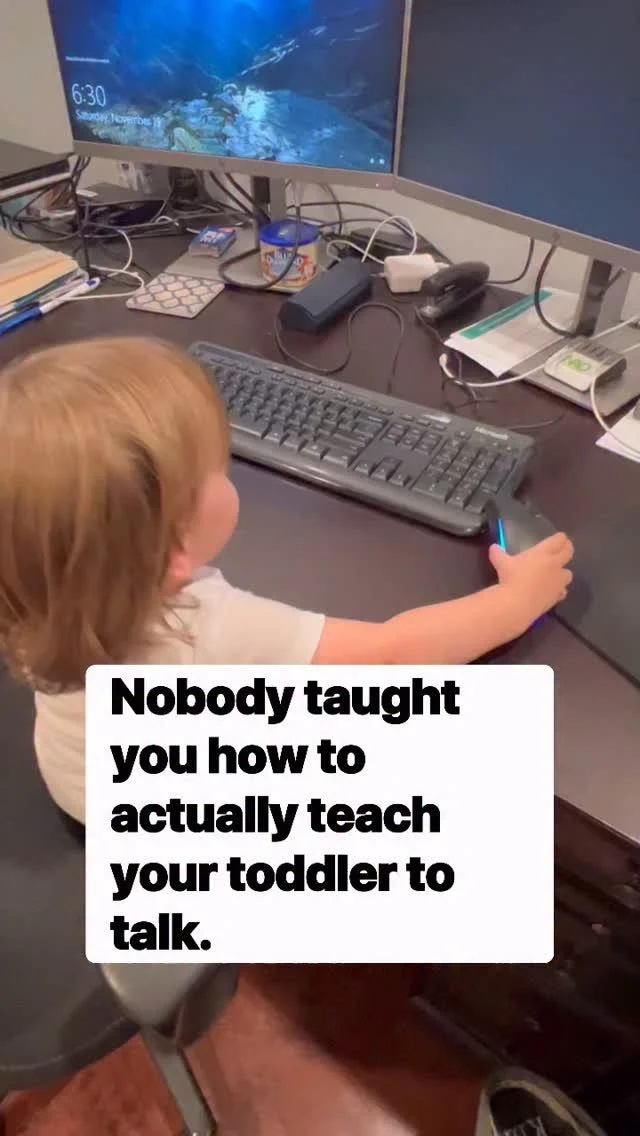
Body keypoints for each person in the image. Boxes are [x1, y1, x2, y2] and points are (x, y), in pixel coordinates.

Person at [0, 337, 573, 824]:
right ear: (172, 549)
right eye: (218, 466)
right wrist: (518, 599)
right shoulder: (200, 627)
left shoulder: (35, 584)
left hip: (78, 782)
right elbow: (394, 657)